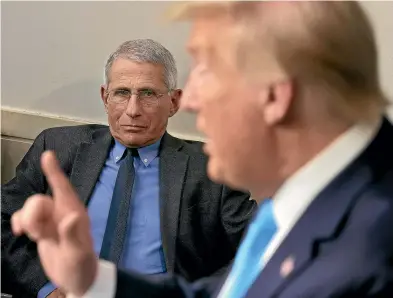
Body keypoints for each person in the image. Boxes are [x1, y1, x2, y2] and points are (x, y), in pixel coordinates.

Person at [11, 1, 393, 298]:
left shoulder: (370, 250)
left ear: (275, 96)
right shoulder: (309, 199)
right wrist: (93, 280)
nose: (189, 100)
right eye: (123, 93)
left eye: (207, 69)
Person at [2, 39, 256, 298]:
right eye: (122, 93)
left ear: (174, 102)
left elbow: (259, 248)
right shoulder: (58, 148)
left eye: (148, 94)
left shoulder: (210, 167)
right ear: (105, 97)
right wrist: (47, 290)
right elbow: (3, 222)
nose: (133, 110)